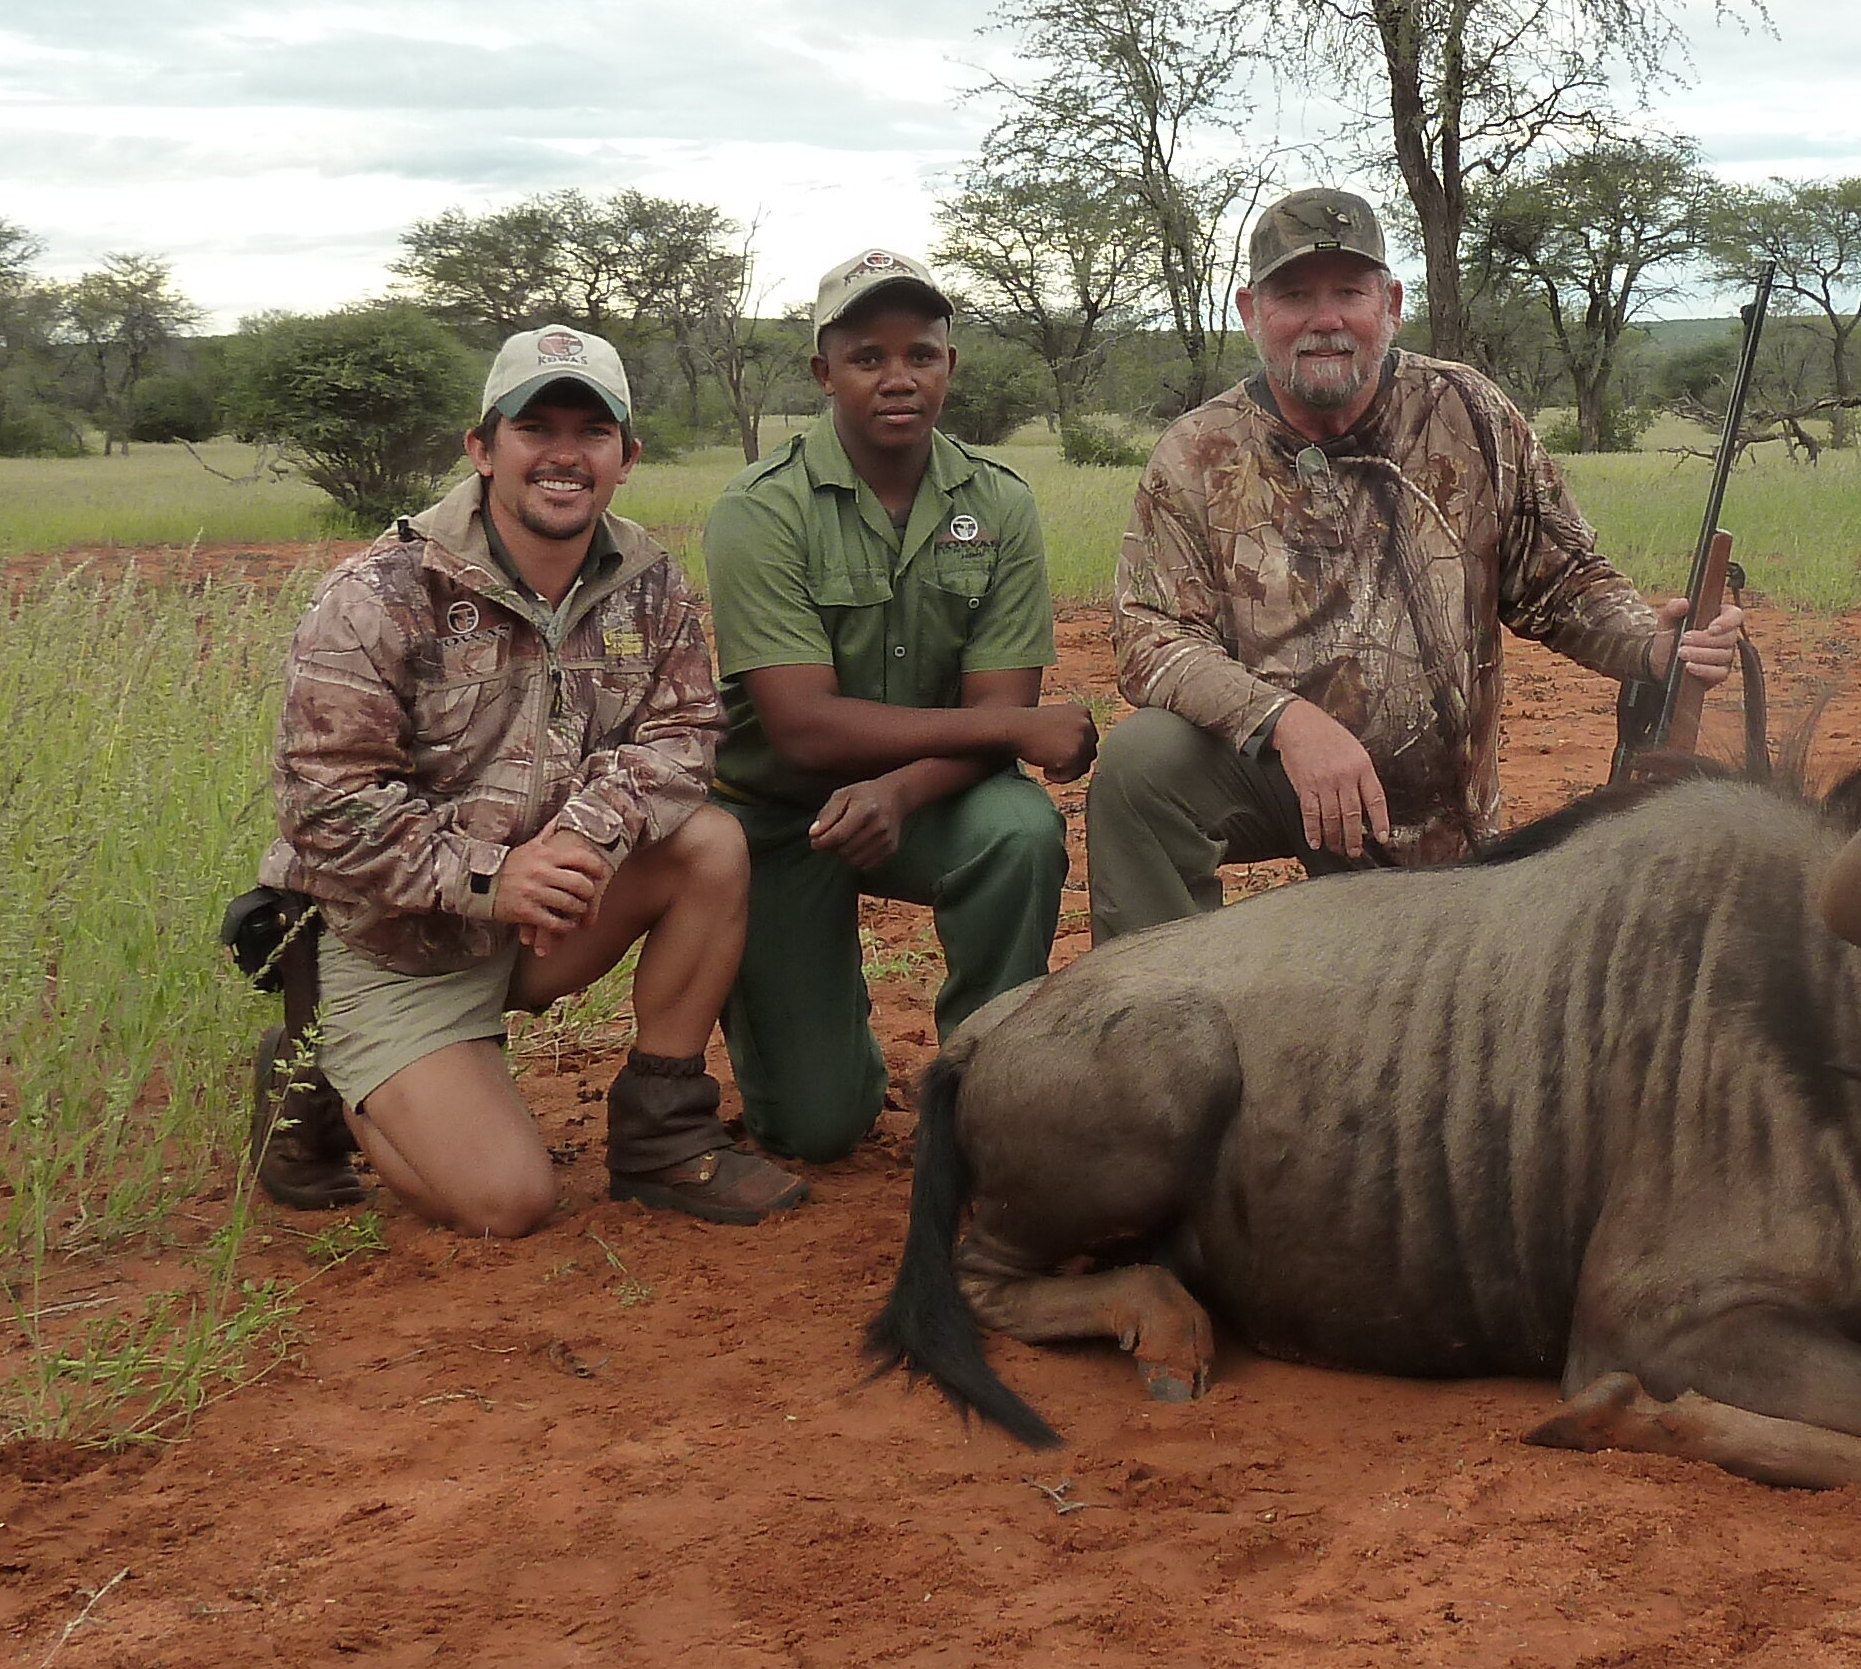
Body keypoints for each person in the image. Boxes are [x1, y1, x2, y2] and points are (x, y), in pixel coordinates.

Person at [257, 321, 796, 1233]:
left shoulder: (651, 582)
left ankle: (662, 1133)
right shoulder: (380, 591)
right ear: (483, 448)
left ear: (626, 456)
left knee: (710, 844)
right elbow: (326, 806)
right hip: (399, 942)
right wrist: (492, 878)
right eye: (534, 428)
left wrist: (587, 834)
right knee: (508, 1202)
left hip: (547, 915)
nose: (563, 455)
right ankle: (314, 1076)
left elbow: (686, 733)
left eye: (590, 433)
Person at [1088, 188, 1742, 937]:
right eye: (1294, 294)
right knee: (1142, 767)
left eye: (1349, 292)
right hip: (1279, 775)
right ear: (1250, 312)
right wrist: (1286, 722)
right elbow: (1152, 638)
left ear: (1391, 303)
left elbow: (1563, 579)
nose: (1324, 319)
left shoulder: (1469, 410)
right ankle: (1158, 1014)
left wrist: (1655, 643)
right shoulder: (1197, 450)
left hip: (1441, 818)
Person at [703, 249, 1094, 1159]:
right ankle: (826, 1057)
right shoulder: (760, 509)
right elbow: (801, 727)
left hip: (928, 801)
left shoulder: (997, 503)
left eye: (920, 354)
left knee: (1020, 831)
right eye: (866, 358)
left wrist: (904, 793)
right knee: (816, 1127)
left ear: (950, 365)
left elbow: (1001, 706)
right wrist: (1014, 728)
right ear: (822, 373)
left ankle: (984, 1096)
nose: (897, 379)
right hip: (780, 821)